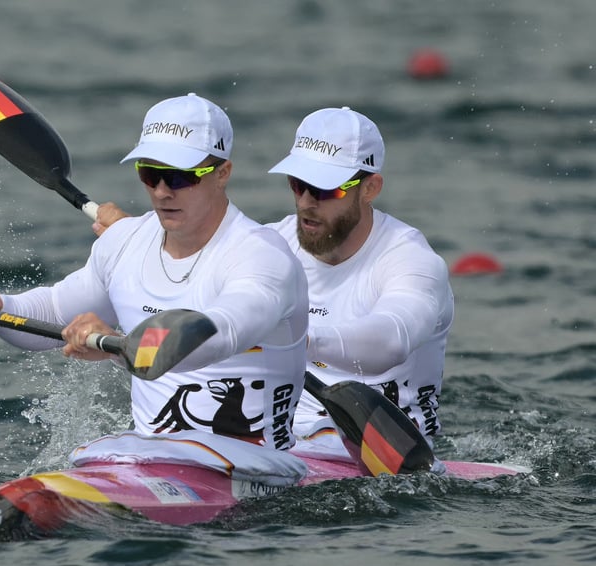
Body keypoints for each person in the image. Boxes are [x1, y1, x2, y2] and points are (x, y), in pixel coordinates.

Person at [0, 93, 310, 474]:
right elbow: (55, 313)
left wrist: (116, 346)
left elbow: (220, 333)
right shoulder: (125, 242)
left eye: (179, 176)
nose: (162, 190)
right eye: (150, 173)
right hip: (153, 463)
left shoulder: (261, 257)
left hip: (253, 471)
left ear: (223, 173)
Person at [95, 106, 454, 464]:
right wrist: (142, 238)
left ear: (371, 187)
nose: (307, 202)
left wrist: (296, 339)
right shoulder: (270, 247)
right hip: (283, 451)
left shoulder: (411, 262)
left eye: (326, 190)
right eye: (298, 185)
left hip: (376, 456)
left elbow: (392, 339)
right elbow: (205, 314)